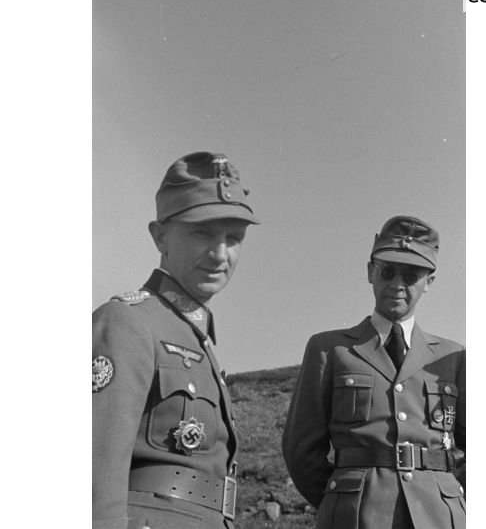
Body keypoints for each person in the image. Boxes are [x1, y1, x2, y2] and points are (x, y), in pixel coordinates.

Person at [93, 152, 259, 529]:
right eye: (202, 233)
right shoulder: (127, 322)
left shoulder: (197, 340)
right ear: (160, 236)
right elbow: (92, 480)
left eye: (234, 238)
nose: (220, 255)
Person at [282, 216, 465, 529]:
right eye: (388, 271)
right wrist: (340, 504)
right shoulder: (330, 350)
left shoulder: (453, 357)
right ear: (370, 272)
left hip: (438, 517)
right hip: (357, 516)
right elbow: (301, 451)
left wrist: (450, 500)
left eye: (411, 275)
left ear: (429, 282)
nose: (397, 283)